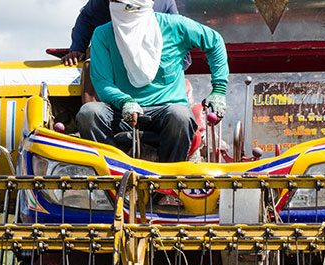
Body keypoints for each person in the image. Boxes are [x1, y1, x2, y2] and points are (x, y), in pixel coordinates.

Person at [76, 0, 228, 163]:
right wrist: (124, 101)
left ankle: (170, 179)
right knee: (89, 113)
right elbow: (102, 81)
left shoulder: (175, 26)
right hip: (120, 112)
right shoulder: (103, 34)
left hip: (166, 110)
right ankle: (110, 171)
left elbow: (215, 42)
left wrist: (219, 90)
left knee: (181, 116)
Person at [61, 0, 183, 67]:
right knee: (92, 53)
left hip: (152, 53)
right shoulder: (101, 4)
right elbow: (86, 18)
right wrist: (77, 48)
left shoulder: (165, 4)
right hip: (111, 56)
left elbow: (178, 38)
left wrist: (172, 65)